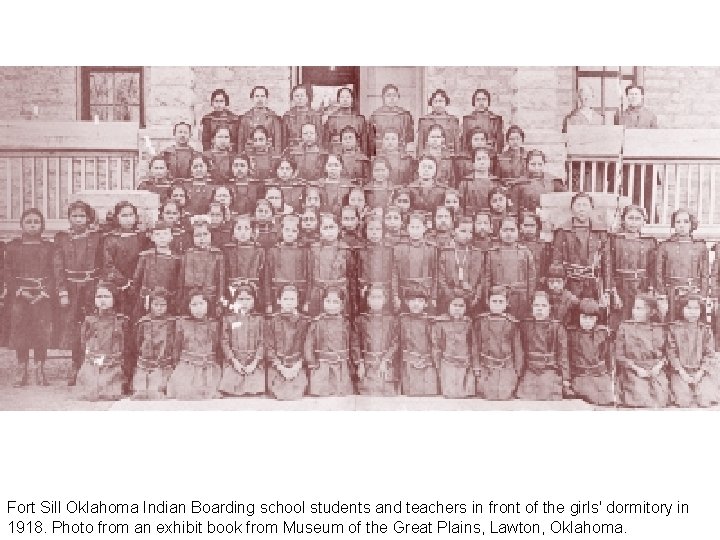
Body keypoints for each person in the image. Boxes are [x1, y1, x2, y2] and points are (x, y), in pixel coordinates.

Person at [5, 208, 60, 387]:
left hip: (42, 296)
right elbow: (7, 272)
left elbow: (56, 272)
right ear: (21, 224)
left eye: (36, 222)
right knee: (20, 331)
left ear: (42, 225)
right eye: (28, 222)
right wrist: (19, 290)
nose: (32, 225)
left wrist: (45, 291)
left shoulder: (49, 247)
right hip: (21, 296)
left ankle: (39, 367)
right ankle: (22, 367)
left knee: (41, 331)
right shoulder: (13, 247)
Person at [54, 201, 103, 385]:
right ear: (69, 218)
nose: (78, 220)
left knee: (92, 326)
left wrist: (100, 288)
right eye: (74, 216)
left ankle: (92, 365)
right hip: (72, 288)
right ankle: (75, 364)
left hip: (91, 286)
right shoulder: (62, 238)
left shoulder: (97, 237)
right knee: (75, 329)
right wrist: (62, 291)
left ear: (89, 218)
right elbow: (58, 266)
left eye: (82, 216)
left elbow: (102, 262)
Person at [74, 282, 128, 400]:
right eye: (99, 297)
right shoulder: (89, 321)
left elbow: (126, 346)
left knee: (108, 392)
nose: (102, 300)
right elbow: (84, 343)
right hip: (93, 363)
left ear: (114, 299)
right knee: (89, 391)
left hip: (113, 365)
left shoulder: (120, 321)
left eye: (107, 297)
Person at [614, 293, 668, 408]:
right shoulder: (625, 327)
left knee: (661, 399)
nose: (635, 312)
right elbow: (619, 355)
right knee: (641, 398)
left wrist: (658, 367)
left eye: (640, 309)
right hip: (633, 369)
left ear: (651, 312)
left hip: (654, 369)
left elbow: (665, 353)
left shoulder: (659, 328)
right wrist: (636, 369)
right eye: (634, 308)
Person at [606, 205, 656, 326]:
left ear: (644, 221)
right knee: (619, 319)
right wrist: (614, 292)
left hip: (641, 286)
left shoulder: (650, 242)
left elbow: (653, 269)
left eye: (638, 219)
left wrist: (650, 290)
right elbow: (608, 267)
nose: (634, 222)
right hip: (620, 286)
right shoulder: (614, 240)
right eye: (630, 218)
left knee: (639, 318)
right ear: (623, 220)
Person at [666, 294, 720, 407]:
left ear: (701, 310)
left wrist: (700, 372)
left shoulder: (705, 330)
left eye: (696, 308)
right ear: (681, 309)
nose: (692, 312)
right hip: (680, 371)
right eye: (689, 308)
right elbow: (671, 353)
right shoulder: (673, 329)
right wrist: (682, 372)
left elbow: (709, 354)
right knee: (683, 401)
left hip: (701, 371)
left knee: (705, 399)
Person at [552, 192, 608, 299]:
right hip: (569, 283)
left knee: (591, 312)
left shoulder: (600, 231)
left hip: (593, 283)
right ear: (572, 208)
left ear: (591, 208)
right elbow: (556, 260)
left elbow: (606, 261)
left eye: (585, 205)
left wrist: (607, 289)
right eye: (578, 205)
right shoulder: (563, 231)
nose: (581, 209)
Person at [166, 291, 222, 399]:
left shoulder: (214, 324)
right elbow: (177, 345)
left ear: (208, 305)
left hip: (208, 368)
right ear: (188, 306)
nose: (198, 308)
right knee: (185, 393)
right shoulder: (182, 323)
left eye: (201, 304)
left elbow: (216, 345)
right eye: (194, 305)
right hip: (187, 367)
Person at [655, 208, 708, 320]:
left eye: (685, 222)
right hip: (671, 293)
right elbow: (658, 272)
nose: (681, 225)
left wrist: (703, 296)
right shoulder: (665, 246)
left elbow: (705, 274)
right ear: (674, 224)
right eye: (678, 222)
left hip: (693, 292)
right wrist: (662, 295)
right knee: (672, 324)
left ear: (692, 224)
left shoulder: (700, 246)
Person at [515, 290, 569, 401]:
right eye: (536, 305)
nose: (540, 309)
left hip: (549, 369)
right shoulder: (525, 325)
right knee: (526, 396)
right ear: (532, 307)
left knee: (548, 395)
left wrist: (566, 378)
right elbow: (520, 351)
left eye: (543, 306)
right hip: (530, 369)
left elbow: (563, 355)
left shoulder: (557, 327)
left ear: (549, 308)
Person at [472, 285, 523, 400]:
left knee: (504, 395)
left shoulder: (511, 323)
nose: (497, 304)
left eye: (501, 301)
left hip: (506, 367)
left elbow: (517, 348)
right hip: (486, 367)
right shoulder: (481, 322)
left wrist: (517, 371)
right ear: (488, 302)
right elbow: (475, 346)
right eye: (494, 301)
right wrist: (476, 367)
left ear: (506, 303)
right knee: (488, 395)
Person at [483, 216, 536, 320]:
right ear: (499, 232)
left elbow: (531, 279)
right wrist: (487, 297)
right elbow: (487, 278)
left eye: (512, 230)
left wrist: (530, 299)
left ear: (518, 231)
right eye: (505, 230)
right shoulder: (492, 253)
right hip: (498, 297)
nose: (508, 234)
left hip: (520, 298)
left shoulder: (525, 252)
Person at [218, 284, 266, 396]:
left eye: (248, 299)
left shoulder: (259, 319)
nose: (244, 303)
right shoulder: (229, 319)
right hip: (234, 361)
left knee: (255, 388)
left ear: (254, 301)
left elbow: (263, 342)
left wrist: (254, 363)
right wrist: (234, 362)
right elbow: (224, 341)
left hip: (253, 361)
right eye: (240, 299)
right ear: (235, 301)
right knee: (229, 386)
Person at [304, 286, 353, 396]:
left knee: (340, 394)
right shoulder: (316, 323)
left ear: (341, 305)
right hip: (321, 366)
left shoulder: (345, 323)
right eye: (328, 301)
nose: (331, 305)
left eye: (335, 302)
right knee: (322, 394)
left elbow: (351, 343)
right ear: (322, 302)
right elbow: (309, 344)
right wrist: (311, 362)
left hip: (341, 367)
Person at [102, 201, 148, 317]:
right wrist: (124, 282)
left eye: (131, 215)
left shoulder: (142, 237)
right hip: (119, 286)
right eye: (124, 216)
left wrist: (137, 282)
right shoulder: (111, 239)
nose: (128, 219)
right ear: (117, 218)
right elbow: (108, 265)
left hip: (138, 285)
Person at [566, 298, 614, 406]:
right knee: (588, 398)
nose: (587, 321)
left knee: (608, 399)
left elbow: (608, 357)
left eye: (591, 318)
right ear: (578, 317)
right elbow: (566, 357)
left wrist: (609, 375)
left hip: (599, 374)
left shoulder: (602, 333)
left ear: (596, 319)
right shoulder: (571, 334)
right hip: (580, 375)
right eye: (584, 318)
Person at [354, 284, 399, 396]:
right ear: (368, 299)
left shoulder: (391, 320)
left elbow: (395, 342)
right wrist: (360, 363)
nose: (376, 301)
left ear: (385, 300)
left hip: (385, 366)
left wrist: (385, 360)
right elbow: (355, 343)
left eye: (379, 297)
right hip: (367, 367)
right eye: (373, 297)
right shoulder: (360, 320)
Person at [266, 285, 309, 400]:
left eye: (292, 299)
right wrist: (281, 368)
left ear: (298, 301)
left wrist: (297, 366)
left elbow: (307, 347)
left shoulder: (304, 322)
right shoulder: (272, 321)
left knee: (297, 390)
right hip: (278, 365)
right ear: (279, 301)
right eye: (285, 299)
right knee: (277, 390)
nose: (289, 302)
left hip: (297, 365)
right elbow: (269, 347)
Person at [132, 287, 175, 400]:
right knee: (140, 390)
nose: (159, 308)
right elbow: (138, 342)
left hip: (163, 363)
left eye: (163, 305)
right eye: (156, 305)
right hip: (145, 363)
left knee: (157, 389)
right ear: (150, 305)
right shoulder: (143, 322)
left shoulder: (171, 322)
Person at [132, 221, 181, 317]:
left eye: (165, 234)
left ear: (171, 237)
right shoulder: (145, 256)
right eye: (158, 234)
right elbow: (137, 279)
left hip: (167, 300)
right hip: (148, 299)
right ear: (152, 237)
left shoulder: (177, 259)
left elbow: (178, 282)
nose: (162, 237)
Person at [437, 216, 484, 316]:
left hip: (470, 298)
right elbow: (441, 278)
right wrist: (450, 295)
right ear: (454, 231)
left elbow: (481, 278)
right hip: (449, 299)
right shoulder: (446, 252)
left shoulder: (477, 253)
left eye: (470, 232)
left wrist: (476, 295)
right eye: (463, 231)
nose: (467, 235)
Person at [393, 211, 437, 313]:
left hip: (426, 292)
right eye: (412, 227)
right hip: (405, 292)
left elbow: (435, 274)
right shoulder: (399, 248)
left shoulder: (431, 248)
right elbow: (394, 274)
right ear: (407, 228)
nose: (415, 231)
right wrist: (395, 296)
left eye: (418, 227)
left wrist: (434, 296)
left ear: (424, 228)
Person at [178, 222, 225, 318]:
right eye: (198, 235)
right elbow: (181, 280)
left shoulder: (217, 255)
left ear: (211, 235)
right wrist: (180, 300)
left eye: (205, 234)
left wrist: (219, 302)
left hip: (210, 297)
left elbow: (221, 280)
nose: (202, 238)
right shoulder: (187, 254)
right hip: (191, 299)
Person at [307, 215, 350, 315]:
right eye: (325, 228)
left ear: (338, 229)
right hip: (318, 293)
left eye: (332, 227)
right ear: (320, 230)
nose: (329, 231)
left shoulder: (346, 250)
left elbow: (351, 276)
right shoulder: (314, 249)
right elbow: (309, 275)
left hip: (339, 294)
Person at [398, 285, 437, 396]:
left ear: (425, 304)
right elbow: (398, 344)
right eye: (412, 300)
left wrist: (426, 360)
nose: (416, 304)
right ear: (406, 302)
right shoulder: (402, 320)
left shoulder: (430, 322)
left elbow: (435, 345)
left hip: (427, 366)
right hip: (408, 366)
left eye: (420, 301)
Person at [432, 296, 475, 398]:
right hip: (447, 364)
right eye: (454, 305)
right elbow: (436, 345)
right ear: (448, 306)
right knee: (449, 394)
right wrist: (438, 364)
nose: (457, 308)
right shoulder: (440, 323)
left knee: (463, 395)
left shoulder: (468, 323)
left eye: (461, 306)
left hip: (465, 364)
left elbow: (472, 345)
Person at [265, 214, 308, 313]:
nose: (290, 234)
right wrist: (268, 302)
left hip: (298, 296)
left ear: (298, 233)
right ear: (281, 231)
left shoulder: (304, 251)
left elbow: (308, 276)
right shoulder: (273, 251)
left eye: (294, 231)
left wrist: (306, 301)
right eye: (287, 230)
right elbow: (267, 277)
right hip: (277, 295)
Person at [224, 215, 266, 312]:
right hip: (232, 291)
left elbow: (262, 274)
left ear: (252, 231)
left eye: (246, 229)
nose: (242, 232)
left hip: (254, 292)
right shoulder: (228, 251)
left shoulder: (259, 251)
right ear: (233, 232)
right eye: (239, 228)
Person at [368, 84, 414, 156]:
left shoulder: (405, 115)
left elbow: (409, 138)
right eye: (388, 95)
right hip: (381, 153)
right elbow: (372, 139)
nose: (391, 98)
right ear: (383, 97)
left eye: (394, 95)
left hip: (400, 154)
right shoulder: (376, 116)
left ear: (398, 97)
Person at [237, 85, 282, 155]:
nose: (260, 99)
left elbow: (277, 141)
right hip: (250, 154)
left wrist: (276, 156)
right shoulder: (245, 118)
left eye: (262, 96)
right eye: (257, 96)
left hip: (268, 154)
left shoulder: (273, 117)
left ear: (266, 99)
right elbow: (241, 142)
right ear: (252, 99)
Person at [324, 87, 368, 154]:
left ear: (352, 99)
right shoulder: (332, 119)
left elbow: (364, 142)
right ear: (338, 99)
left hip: (355, 154)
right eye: (342, 97)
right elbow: (326, 141)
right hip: (336, 154)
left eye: (347, 97)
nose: (345, 100)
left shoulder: (359, 119)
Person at [418, 89, 461, 155]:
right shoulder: (424, 120)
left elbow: (457, 143)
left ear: (446, 102)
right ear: (431, 103)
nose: (438, 104)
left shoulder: (453, 120)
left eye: (441, 101)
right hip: (429, 155)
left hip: (448, 156)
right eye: (435, 101)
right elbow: (420, 144)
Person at [282, 84, 323, 152]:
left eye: (302, 95)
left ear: (307, 98)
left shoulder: (316, 115)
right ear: (292, 98)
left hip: (311, 151)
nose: (299, 98)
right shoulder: (287, 116)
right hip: (292, 151)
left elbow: (320, 138)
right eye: (297, 96)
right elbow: (284, 138)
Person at [459, 147, 499, 216]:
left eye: (484, 159)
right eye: (479, 159)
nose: (482, 162)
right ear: (473, 163)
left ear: (489, 162)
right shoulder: (465, 183)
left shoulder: (496, 182)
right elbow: (461, 206)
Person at [462, 89, 504, 155]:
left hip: (491, 154)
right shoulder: (467, 120)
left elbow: (499, 143)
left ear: (488, 102)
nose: (481, 103)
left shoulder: (495, 120)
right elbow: (464, 143)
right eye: (478, 100)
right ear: (474, 102)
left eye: (484, 99)